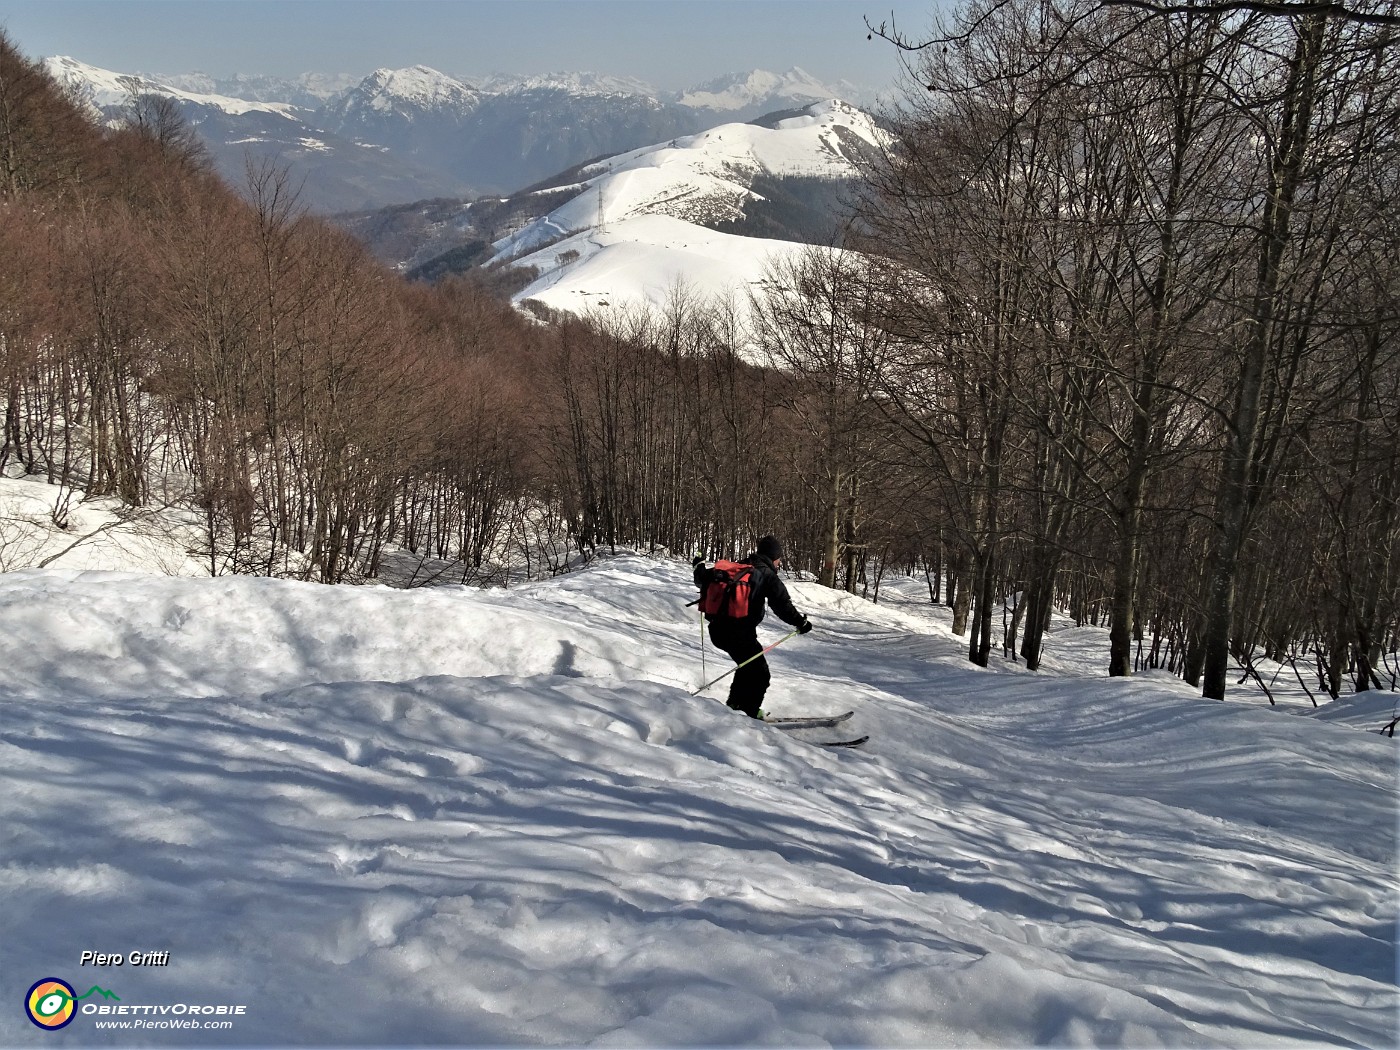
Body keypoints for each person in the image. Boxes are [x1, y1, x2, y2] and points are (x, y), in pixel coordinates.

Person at [693, 535, 812, 718]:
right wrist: (800, 623)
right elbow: (782, 605)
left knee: (747, 666)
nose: (779, 563)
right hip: (739, 633)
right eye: (779, 559)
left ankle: (734, 707)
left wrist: (698, 564)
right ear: (774, 557)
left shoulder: (738, 567)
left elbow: (701, 579)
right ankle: (748, 716)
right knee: (760, 674)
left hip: (717, 631)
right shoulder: (766, 575)